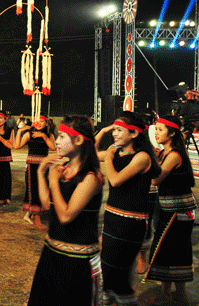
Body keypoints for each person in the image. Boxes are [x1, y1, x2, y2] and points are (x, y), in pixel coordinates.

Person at [27, 116, 104, 305]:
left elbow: (65, 215)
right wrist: (40, 172)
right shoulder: (64, 169)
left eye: (62, 137)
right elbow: (47, 205)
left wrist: (53, 180)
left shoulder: (90, 177)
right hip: (52, 251)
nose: (57, 142)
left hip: (77, 259)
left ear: (78, 140)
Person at [95, 111, 161, 306]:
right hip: (113, 217)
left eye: (119, 130)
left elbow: (115, 180)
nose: (114, 134)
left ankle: (125, 301)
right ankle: (108, 298)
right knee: (107, 264)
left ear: (134, 133)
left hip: (131, 221)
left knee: (120, 269)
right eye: (114, 129)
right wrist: (104, 131)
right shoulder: (117, 151)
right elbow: (89, 151)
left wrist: (108, 156)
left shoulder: (141, 157)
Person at [145, 115, 197, 304]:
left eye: (160, 129)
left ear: (172, 133)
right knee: (167, 251)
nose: (156, 133)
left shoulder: (174, 155)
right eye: (155, 129)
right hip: (171, 210)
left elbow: (155, 179)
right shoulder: (165, 153)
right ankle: (169, 293)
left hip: (178, 212)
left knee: (174, 252)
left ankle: (178, 295)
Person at [14, 114, 56, 228]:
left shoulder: (49, 135)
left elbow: (53, 147)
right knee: (33, 191)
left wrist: (44, 136)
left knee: (43, 190)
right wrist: (19, 131)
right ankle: (36, 219)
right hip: (32, 167)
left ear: (46, 123)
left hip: (44, 167)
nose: (39, 123)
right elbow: (16, 146)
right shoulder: (29, 134)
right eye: (37, 121)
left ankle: (29, 214)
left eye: (42, 121)